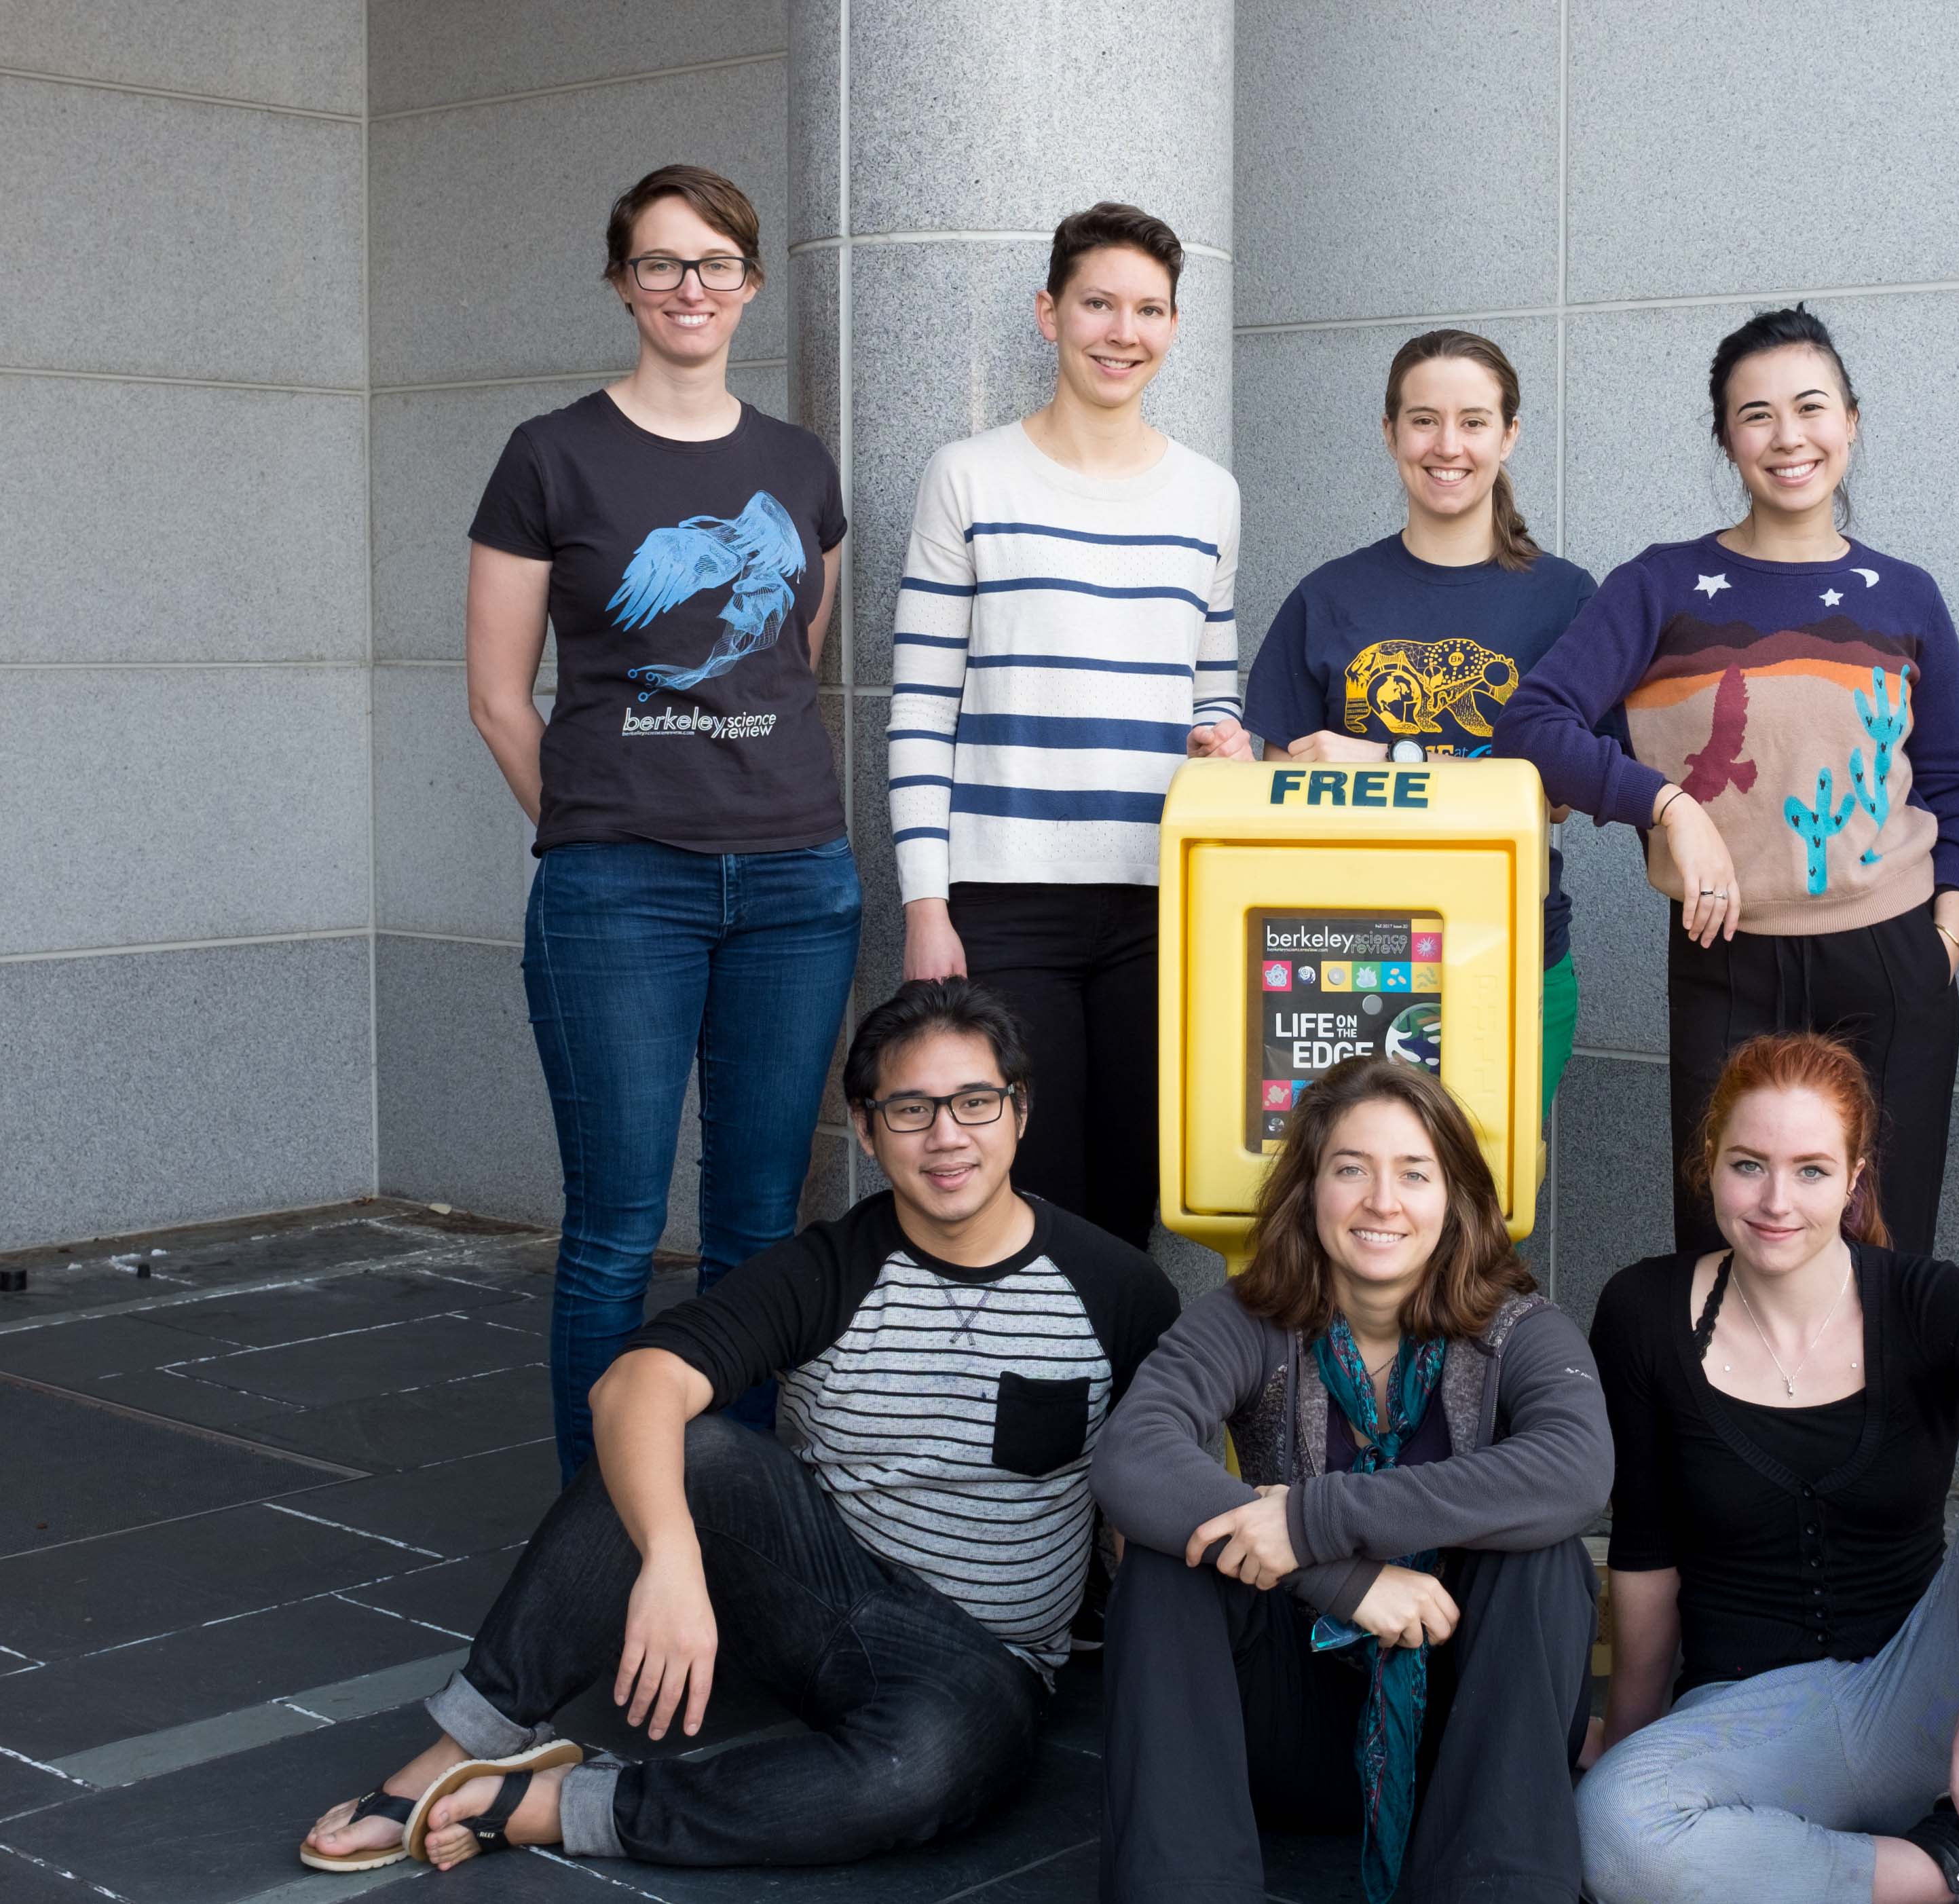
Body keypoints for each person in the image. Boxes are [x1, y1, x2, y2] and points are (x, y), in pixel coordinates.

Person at [292, 979, 1178, 1874]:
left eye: (974, 1102)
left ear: (1019, 1112)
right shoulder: (827, 1270)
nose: (946, 1135)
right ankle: (463, 1745)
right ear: (867, 1131)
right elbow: (631, 1386)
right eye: (910, 1109)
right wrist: (672, 1559)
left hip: (985, 1664)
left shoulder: (1116, 1289)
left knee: (925, 1772)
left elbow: (1151, 1486)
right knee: (685, 1441)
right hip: (820, 1604)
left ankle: (563, 1802)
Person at [466, 164, 859, 1481]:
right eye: (660, 263)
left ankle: (732, 1520)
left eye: (714, 264)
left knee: (755, 1223)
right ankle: (604, 1534)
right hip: (619, 893)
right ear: (623, 282)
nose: (689, 288)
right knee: (617, 1227)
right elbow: (497, 694)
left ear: (748, 284)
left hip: (797, 885)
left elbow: (791, 658)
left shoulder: (798, 467)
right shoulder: (550, 455)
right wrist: (598, 826)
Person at [1576, 1034, 1959, 1904]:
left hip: (1926, 1697)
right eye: (1749, 1166)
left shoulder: (1925, 1302)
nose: (1777, 1201)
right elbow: (1645, 1554)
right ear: (1708, 1165)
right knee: (1615, 1830)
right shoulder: (1642, 1311)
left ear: (1854, 1178)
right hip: (1755, 1718)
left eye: (1811, 1170)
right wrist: (1631, 1741)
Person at [1494, 305, 1959, 1256]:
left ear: (1851, 420)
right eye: (1756, 414)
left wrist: (1947, 939)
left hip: (1893, 962)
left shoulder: (1906, 595)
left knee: (1884, 1255)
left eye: (1811, 406)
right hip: (1727, 961)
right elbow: (1533, 723)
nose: (1788, 436)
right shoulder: (1664, 585)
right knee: (1727, 1250)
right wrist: (1668, 805)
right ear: (1726, 438)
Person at [1092, 1058, 1609, 1904]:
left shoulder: (1520, 1329)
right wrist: (1340, 1577)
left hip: (1460, 1751)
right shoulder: (1251, 1318)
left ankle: (1499, 1888)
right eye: (1350, 1170)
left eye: (1414, 1173)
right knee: (1164, 1559)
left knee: (1545, 1557)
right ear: (1308, 1190)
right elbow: (1132, 1455)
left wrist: (1311, 1519)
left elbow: (1576, 1469)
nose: (1382, 1202)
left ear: (1455, 1197)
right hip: (1281, 1731)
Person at [888, 202, 1248, 1250]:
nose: (1121, 331)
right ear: (1050, 314)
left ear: (1175, 327)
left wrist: (1225, 739)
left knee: (1136, 1186)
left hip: (1161, 897)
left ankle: (1123, 1418)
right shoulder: (968, 475)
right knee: (1025, 1191)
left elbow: (1212, 689)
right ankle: (1032, 1415)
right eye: (1098, 303)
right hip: (1005, 902)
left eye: (1148, 309)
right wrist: (926, 901)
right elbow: (919, 707)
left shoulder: (1208, 497)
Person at [1245, 329, 1601, 1113]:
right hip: (1343, 961)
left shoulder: (1566, 600)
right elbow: (1278, 797)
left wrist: (1385, 760)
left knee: (1486, 1210)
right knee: (1339, 1212)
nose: (1448, 445)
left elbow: (1565, 793)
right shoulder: (1326, 597)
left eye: (1473, 421)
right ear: (1389, 433)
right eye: (1423, 420)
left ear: (1509, 435)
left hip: (1509, 953)